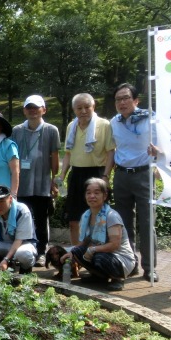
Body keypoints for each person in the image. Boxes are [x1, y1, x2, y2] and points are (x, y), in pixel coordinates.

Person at [105, 83, 162, 282]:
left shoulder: (151, 119)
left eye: (126, 98)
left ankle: (149, 268)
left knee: (147, 223)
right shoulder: (114, 122)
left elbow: (165, 144)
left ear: (136, 100)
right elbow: (112, 149)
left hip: (144, 175)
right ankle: (129, 264)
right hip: (121, 176)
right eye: (118, 99)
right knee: (123, 224)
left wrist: (160, 158)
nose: (122, 102)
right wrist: (106, 176)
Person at [56, 93, 114, 245]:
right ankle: (76, 256)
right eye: (79, 108)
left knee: (98, 219)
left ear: (93, 107)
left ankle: (97, 255)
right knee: (74, 219)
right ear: (74, 109)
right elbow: (68, 153)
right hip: (76, 175)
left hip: (96, 174)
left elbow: (111, 152)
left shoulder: (104, 125)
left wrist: (106, 176)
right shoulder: (71, 126)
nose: (83, 111)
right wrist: (62, 175)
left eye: (87, 107)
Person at [10, 95, 61, 264]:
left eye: (36, 107)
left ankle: (40, 252)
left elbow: (54, 157)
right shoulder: (16, 131)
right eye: (29, 107)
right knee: (22, 218)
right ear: (24, 110)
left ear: (43, 110)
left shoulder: (51, 130)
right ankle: (21, 251)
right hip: (21, 184)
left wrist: (55, 181)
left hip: (42, 184)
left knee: (40, 218)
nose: (33, 110)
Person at [61, 177, 135, 291]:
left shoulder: (112, 216)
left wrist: (92, 250)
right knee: (77, 251)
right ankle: (99, 277)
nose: (92, 196)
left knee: (100, 257)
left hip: (120, 258)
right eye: (88, 193)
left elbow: (114, 245)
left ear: (105, 196)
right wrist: (72, 253)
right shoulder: (86, 215)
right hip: (101, 253)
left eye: (96, 193)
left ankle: (117, 279)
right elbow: (83, 242)